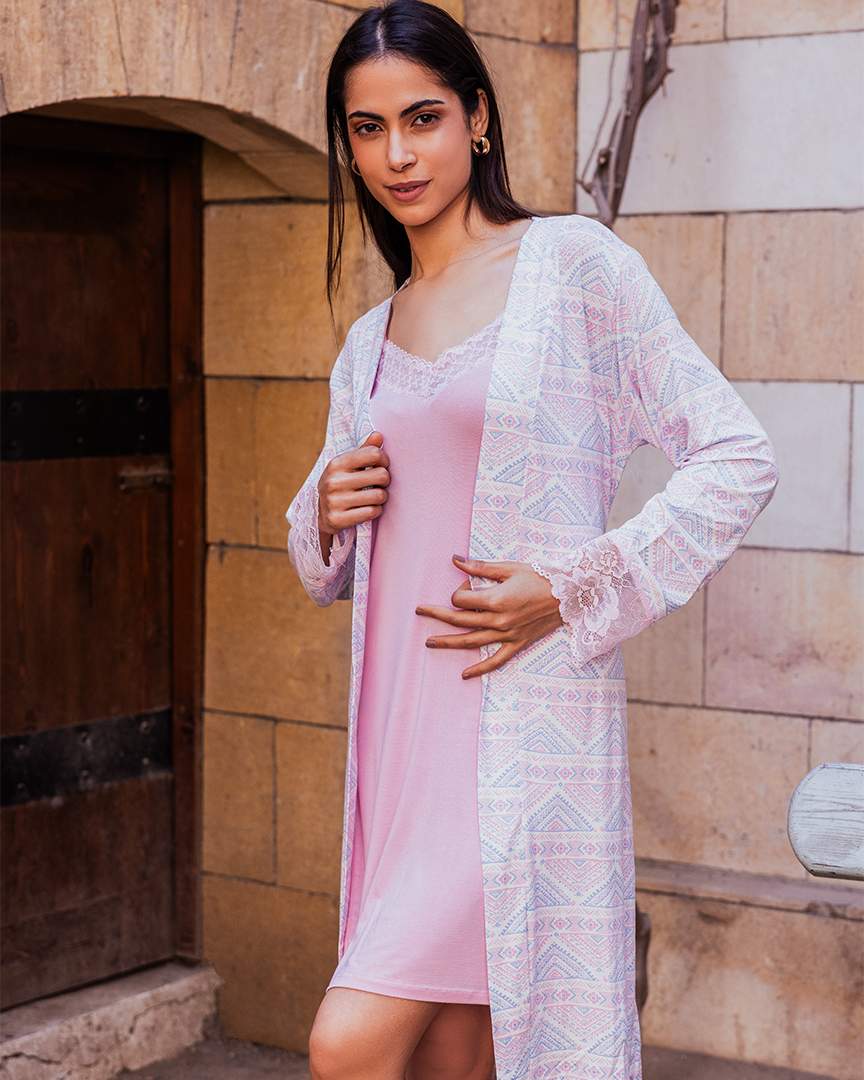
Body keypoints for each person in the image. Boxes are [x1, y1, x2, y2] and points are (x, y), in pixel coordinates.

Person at [286, 3, 778, 1078]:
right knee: (454, 1057)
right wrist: (320, 510)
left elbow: (737, 455)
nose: (397, 153)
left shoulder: (573, 268)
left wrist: (574, 585)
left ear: (477, 118)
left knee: (347, 1046)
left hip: (516, 741)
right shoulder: (368, 341)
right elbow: (328, 559)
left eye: (422, 118)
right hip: (399, 746)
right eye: (368, 129)